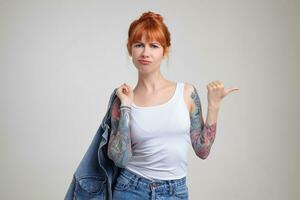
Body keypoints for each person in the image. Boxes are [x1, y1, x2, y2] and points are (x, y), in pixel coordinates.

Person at [107, 11, 239, 200]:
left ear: (165, 50)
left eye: (154, 46)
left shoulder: (186, 93)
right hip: (131, 189)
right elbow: (121, 159)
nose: (145, 53)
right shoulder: (122, 99)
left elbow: (202, 151)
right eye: (138, 45)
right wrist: (126, 107)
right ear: (129, 49)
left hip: (174, 192)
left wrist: (214, 105)